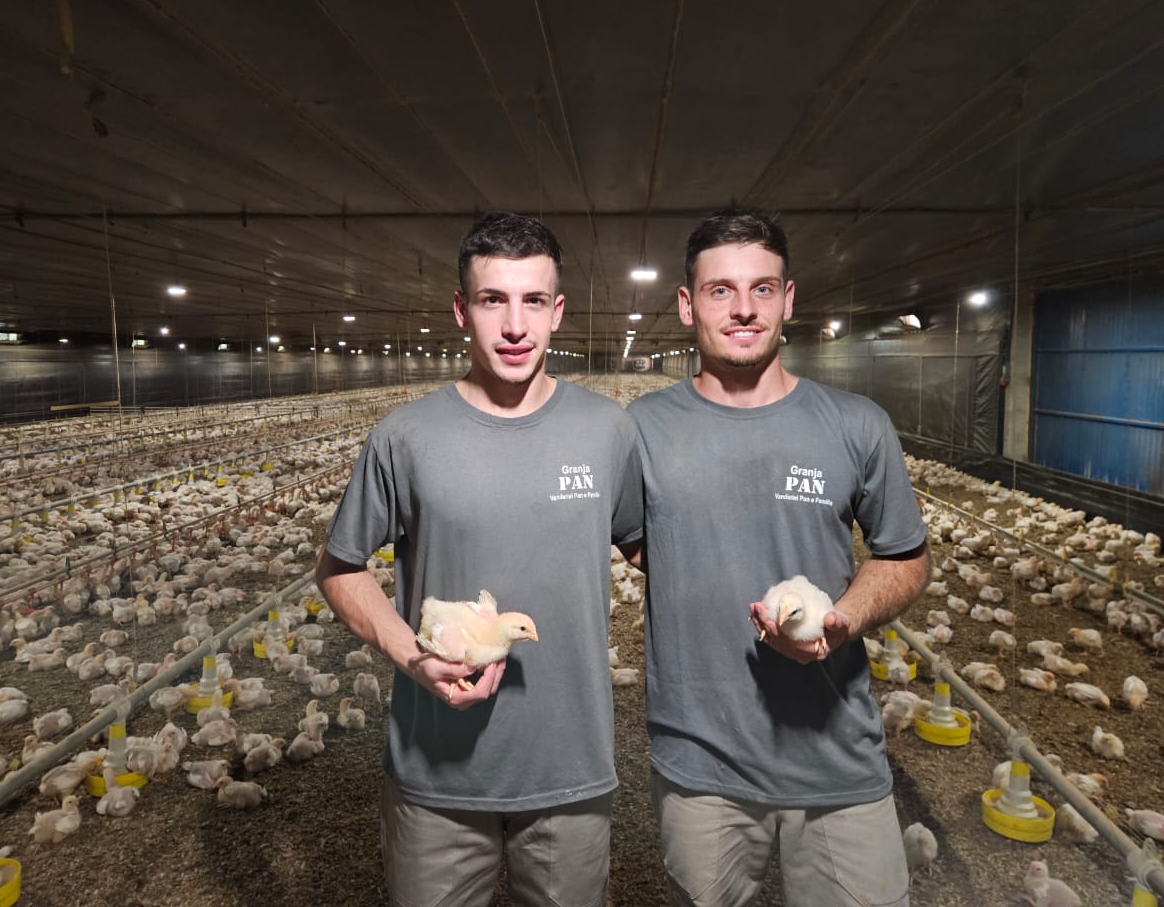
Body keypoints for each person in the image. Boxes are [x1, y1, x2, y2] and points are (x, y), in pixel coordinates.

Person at [316, 211, 643, 907]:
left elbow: (654, 549)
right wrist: (411, 655)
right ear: (463, 310)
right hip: (436, 779)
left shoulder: (608, 430)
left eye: (533, 301)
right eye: (495, 300)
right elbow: (340, 568)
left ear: (558, 311)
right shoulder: (404, 437)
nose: (515, 326)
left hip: (570, 773)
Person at [624, 207, 930, 907]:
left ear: (788, 300)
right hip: (700, 765)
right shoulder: (639, 432)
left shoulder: (856, 424)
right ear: (686, 304)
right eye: (720, 290)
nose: (742, 309)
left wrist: (843, 620)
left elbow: (905, 558)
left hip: (836, 758)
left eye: (763, 288)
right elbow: (625, 542)